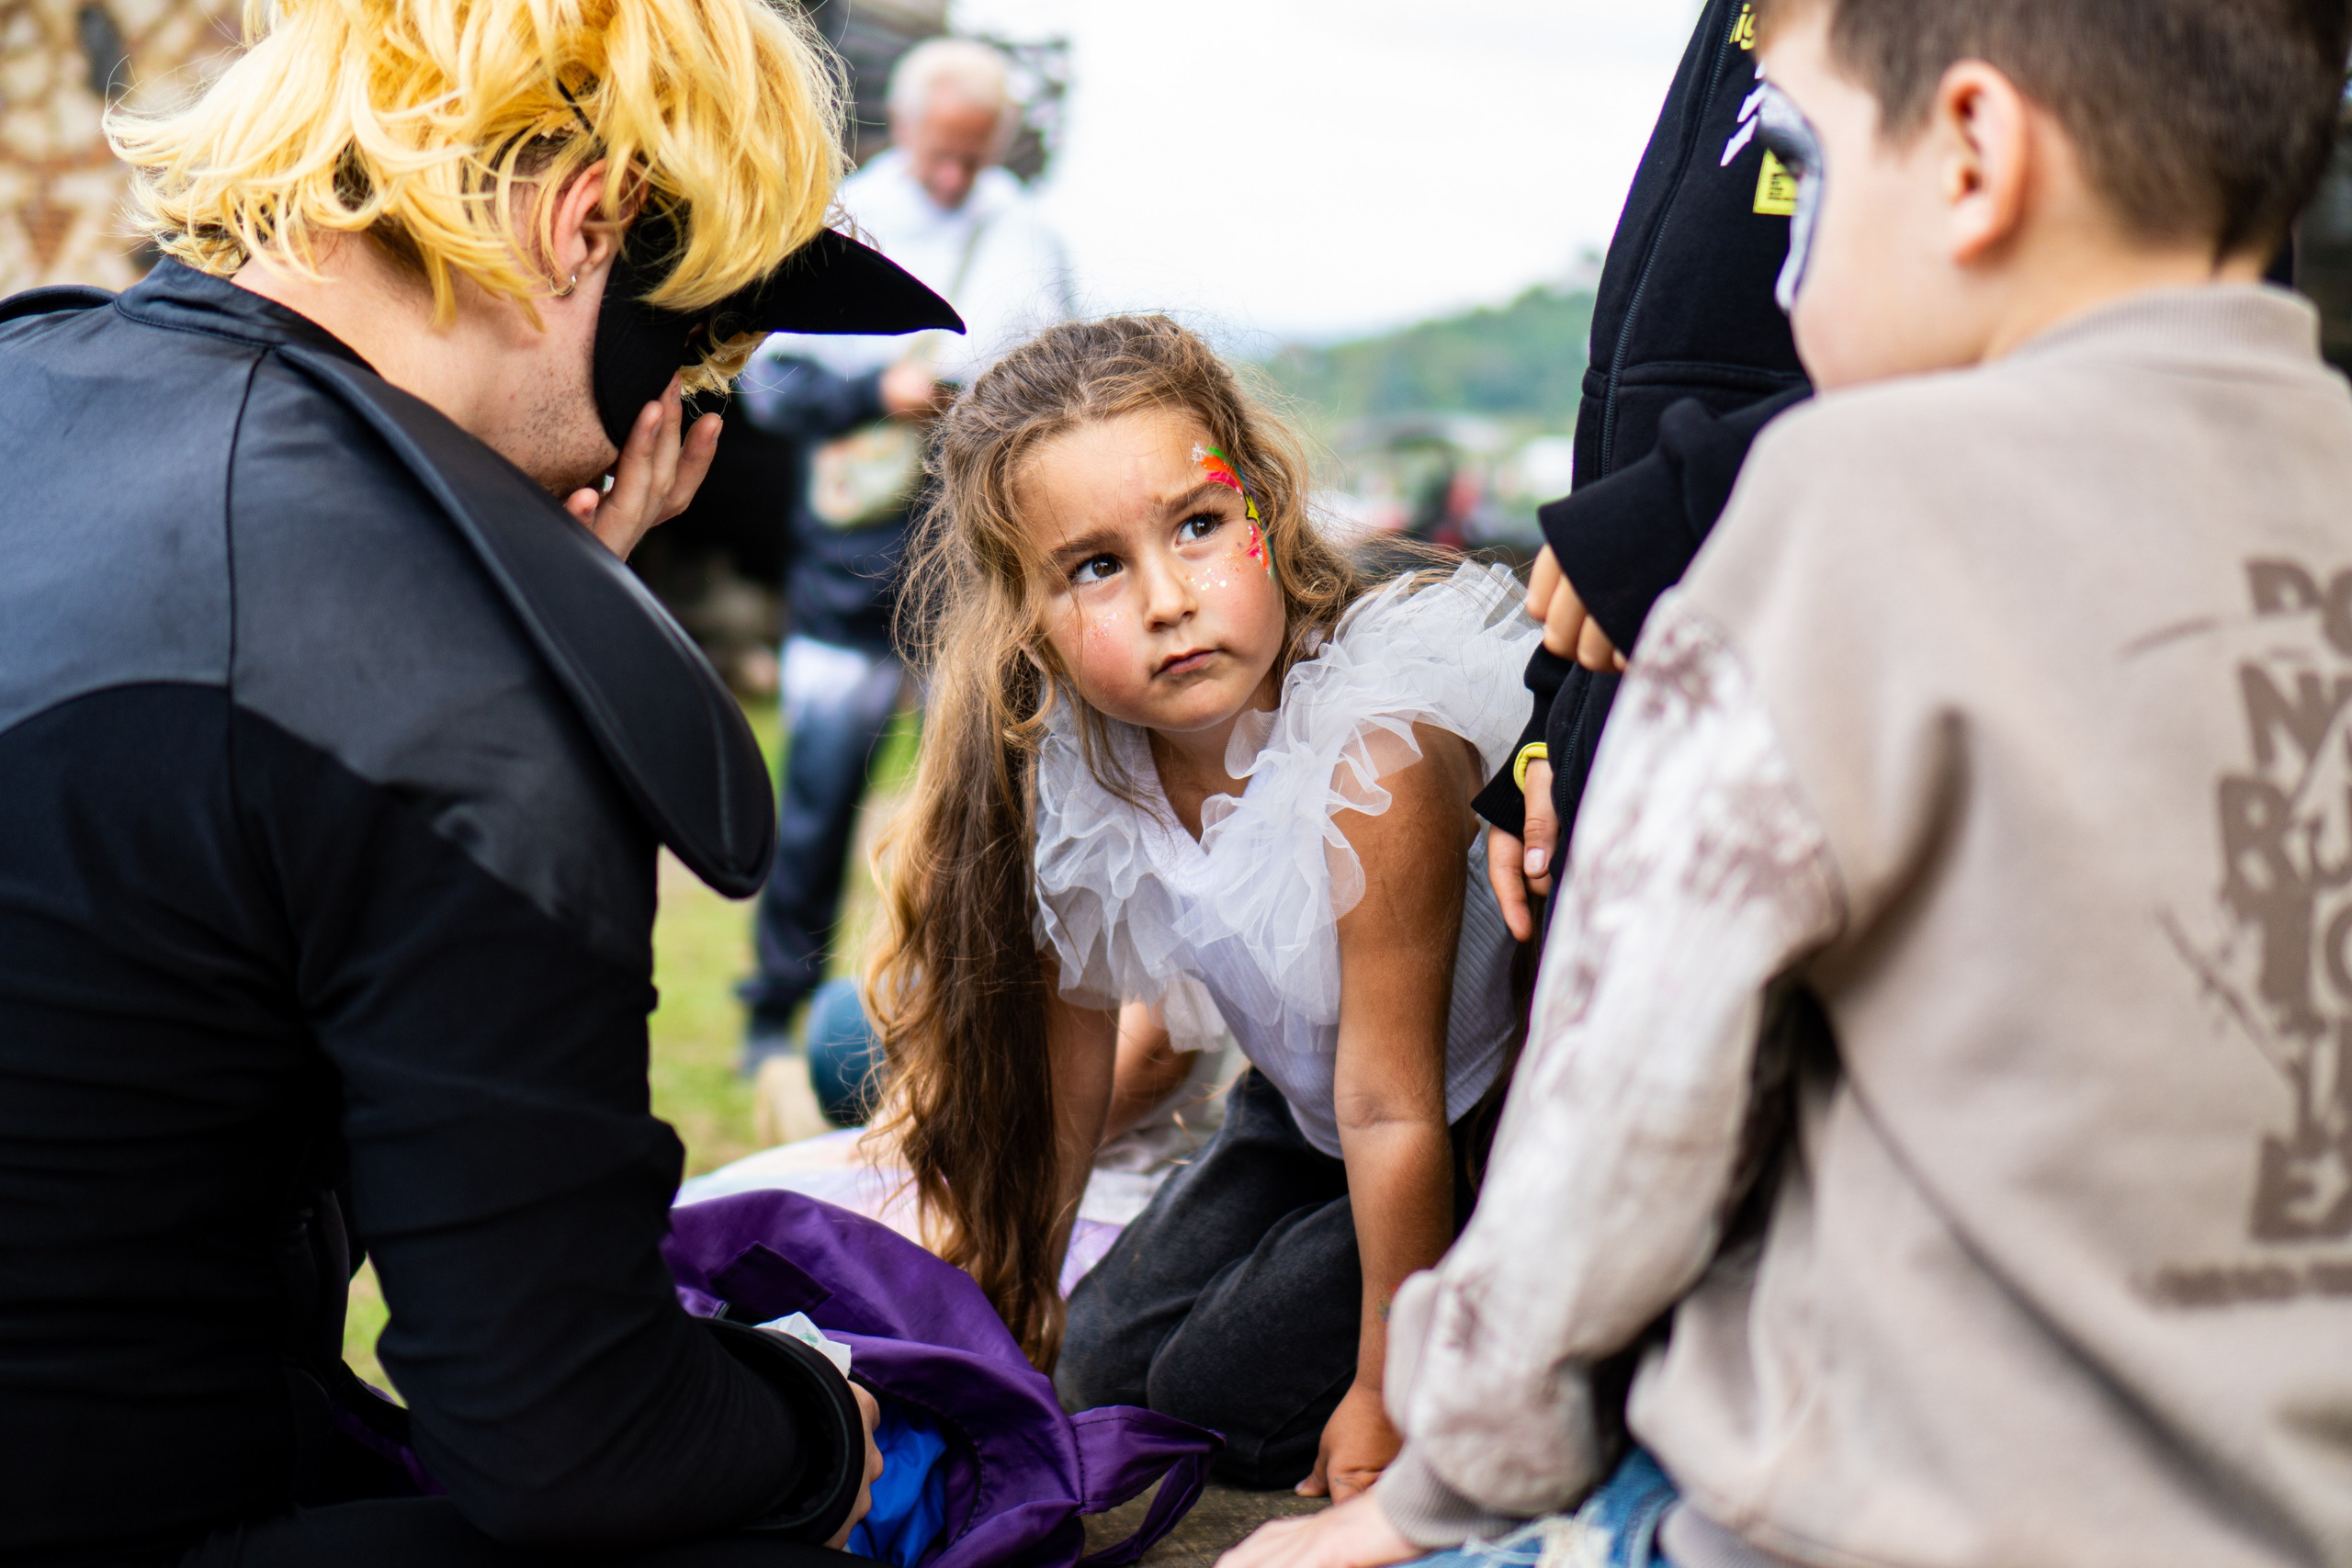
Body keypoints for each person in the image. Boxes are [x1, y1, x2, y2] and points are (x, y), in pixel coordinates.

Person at [1222, 1, 2352, 1566]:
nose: (1791, 238)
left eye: (1800, 168)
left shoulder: (1836, 508)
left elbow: (1625, 1119)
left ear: (1971, 156)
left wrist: (1441, 1485)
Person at [0, 0, 966, 1557]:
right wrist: (815, 1426)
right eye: (695, 346)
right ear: (588, 223)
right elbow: (574, 1438)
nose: (665, 420)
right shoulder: (451, 684)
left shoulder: (30, 384)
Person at [865, 315, 1538, 1500]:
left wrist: (1386, 1393)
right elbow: (1068, 1060)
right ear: (1026, 611)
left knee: (1211, 1403)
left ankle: (1490, 1324)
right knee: (1095, 1370)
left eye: (1197, 526)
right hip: (1303, 1118)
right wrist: (1010, 1291)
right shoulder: (1082, 763)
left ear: (1264, 512)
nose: (1169, 599)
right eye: (1094, 567)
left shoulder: (1371, 760)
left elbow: (1393, 1106)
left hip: (1474, 1124)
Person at [735, 38, 1077, 1070]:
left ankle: (962, 1008)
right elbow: (766, 389)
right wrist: (873, 393)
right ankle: (772, 1011)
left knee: (981, 801)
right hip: (844, 566)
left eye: (975, 156)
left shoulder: (1027, 235)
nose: (953, 176)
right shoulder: (843, 213)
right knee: (818, 800)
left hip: (973, 570)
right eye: (940, 153)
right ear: (909, 127)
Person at [1474, 0, 1811, 944]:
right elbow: (1644, 400)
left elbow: (2060, 348)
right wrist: (1559, 717)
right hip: (1639, 709)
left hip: (1810, 733)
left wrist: (1697, 499)